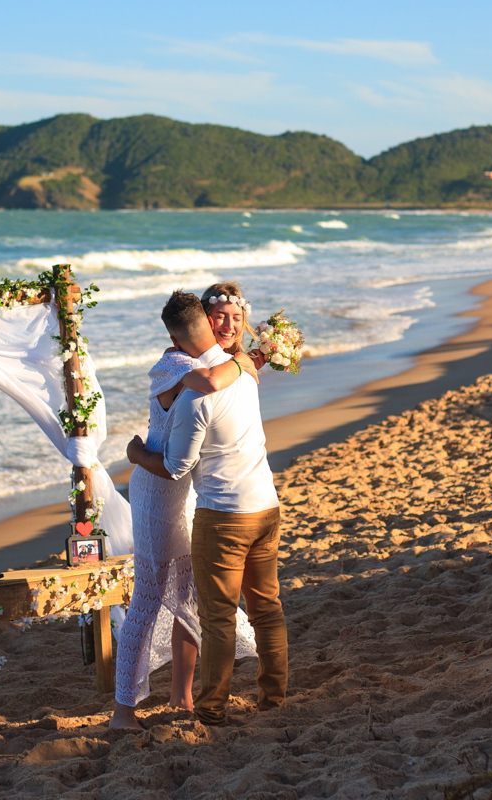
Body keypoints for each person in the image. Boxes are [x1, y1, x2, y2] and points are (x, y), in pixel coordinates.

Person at [126, 290, 287, 727]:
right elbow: (227, 375)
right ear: (208, 324)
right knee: (266, 606)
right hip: (267, 505)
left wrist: (137, 455)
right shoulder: (248, 374)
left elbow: (178, 467)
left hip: (223, 513)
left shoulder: (196, 394)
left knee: (215, 617)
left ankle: (212, 706)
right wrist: (249, 358)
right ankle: (274, 696)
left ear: (177, 342)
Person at [108, 318, 259, 731]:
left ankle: (182, 694)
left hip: (186, 490)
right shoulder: (172, 363)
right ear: (180, 337)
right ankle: (122, 712)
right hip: (157, 489)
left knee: (189, 595)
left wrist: (249, 354)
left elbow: (223, 379)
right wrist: (251, 358)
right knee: (148, 598)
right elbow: (211, 381)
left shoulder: (206, 361)